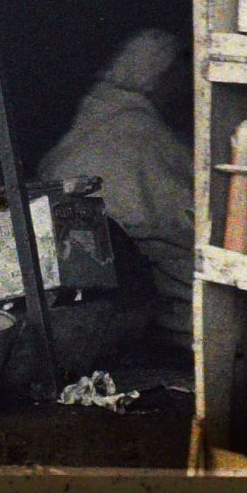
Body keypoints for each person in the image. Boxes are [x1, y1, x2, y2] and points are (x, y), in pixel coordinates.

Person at [35, 28, 194, 347]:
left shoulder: (102, 106)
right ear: (159, 77)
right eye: (177, 76)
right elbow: (189, 214)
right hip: (118, 272)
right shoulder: (136, 129)